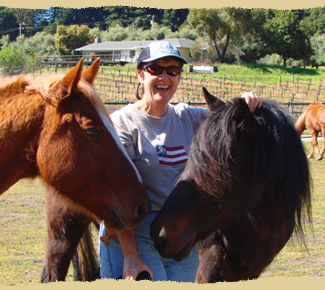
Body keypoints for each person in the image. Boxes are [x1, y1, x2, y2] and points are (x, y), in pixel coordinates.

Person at [98, 41, 261, 282]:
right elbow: (116, 196)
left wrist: (246, 101)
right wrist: (130, 256)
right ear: (141, 75)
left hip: (177, 230)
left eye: (173, 70)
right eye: (156, 69)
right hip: (133, 230)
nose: (165, 77)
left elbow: (228, 119)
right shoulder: (123, 124)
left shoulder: (189, 117)